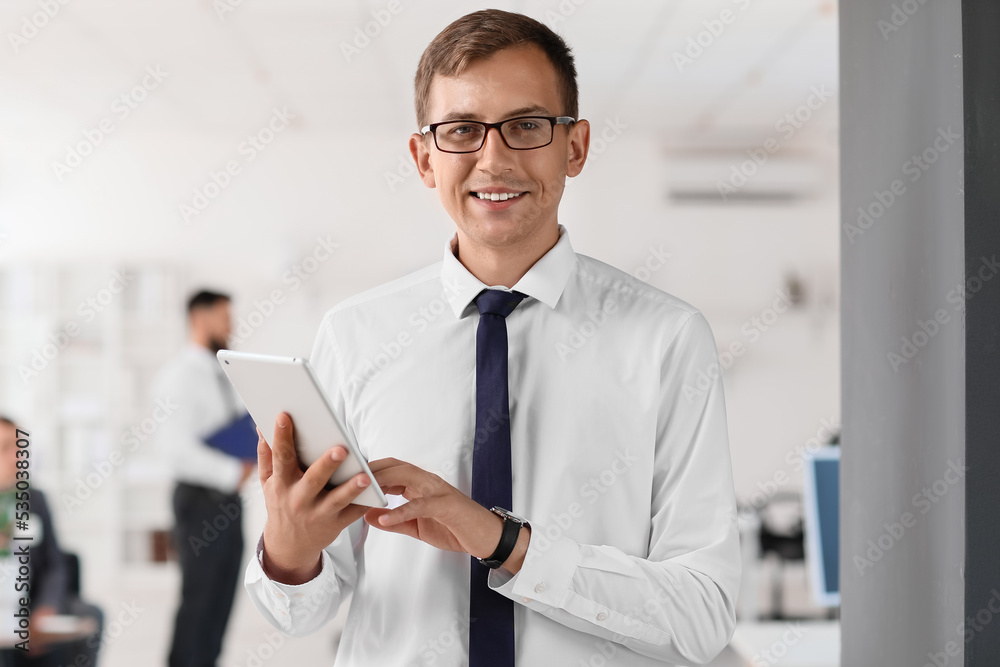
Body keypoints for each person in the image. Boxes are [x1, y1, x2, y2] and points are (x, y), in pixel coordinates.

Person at [244, 9, 741, 666]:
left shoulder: (666, 339)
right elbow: (299, 610)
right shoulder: (355, 334)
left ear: (576, 146)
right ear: (424, 158)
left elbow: (702, 615)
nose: (494, 158)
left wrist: (502, 541)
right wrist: (289, 548)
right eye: (461, 130)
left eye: (528, 125)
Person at [151, 290, 256, 667]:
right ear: (200, 317)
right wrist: (234, 471)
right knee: (198, 602)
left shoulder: (223, 371)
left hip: (227, 502)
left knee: (221, 603)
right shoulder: (178, 377)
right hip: (199, 503)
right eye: (225, 318)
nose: (231, 326)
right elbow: (174, 449)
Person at [0, 415, 101, 667]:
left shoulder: (34, 499)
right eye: (5, 449)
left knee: (90, 614)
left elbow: (55, 564)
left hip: (31, 602)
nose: (17, 457)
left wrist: (46, 607)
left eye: (19, 448)